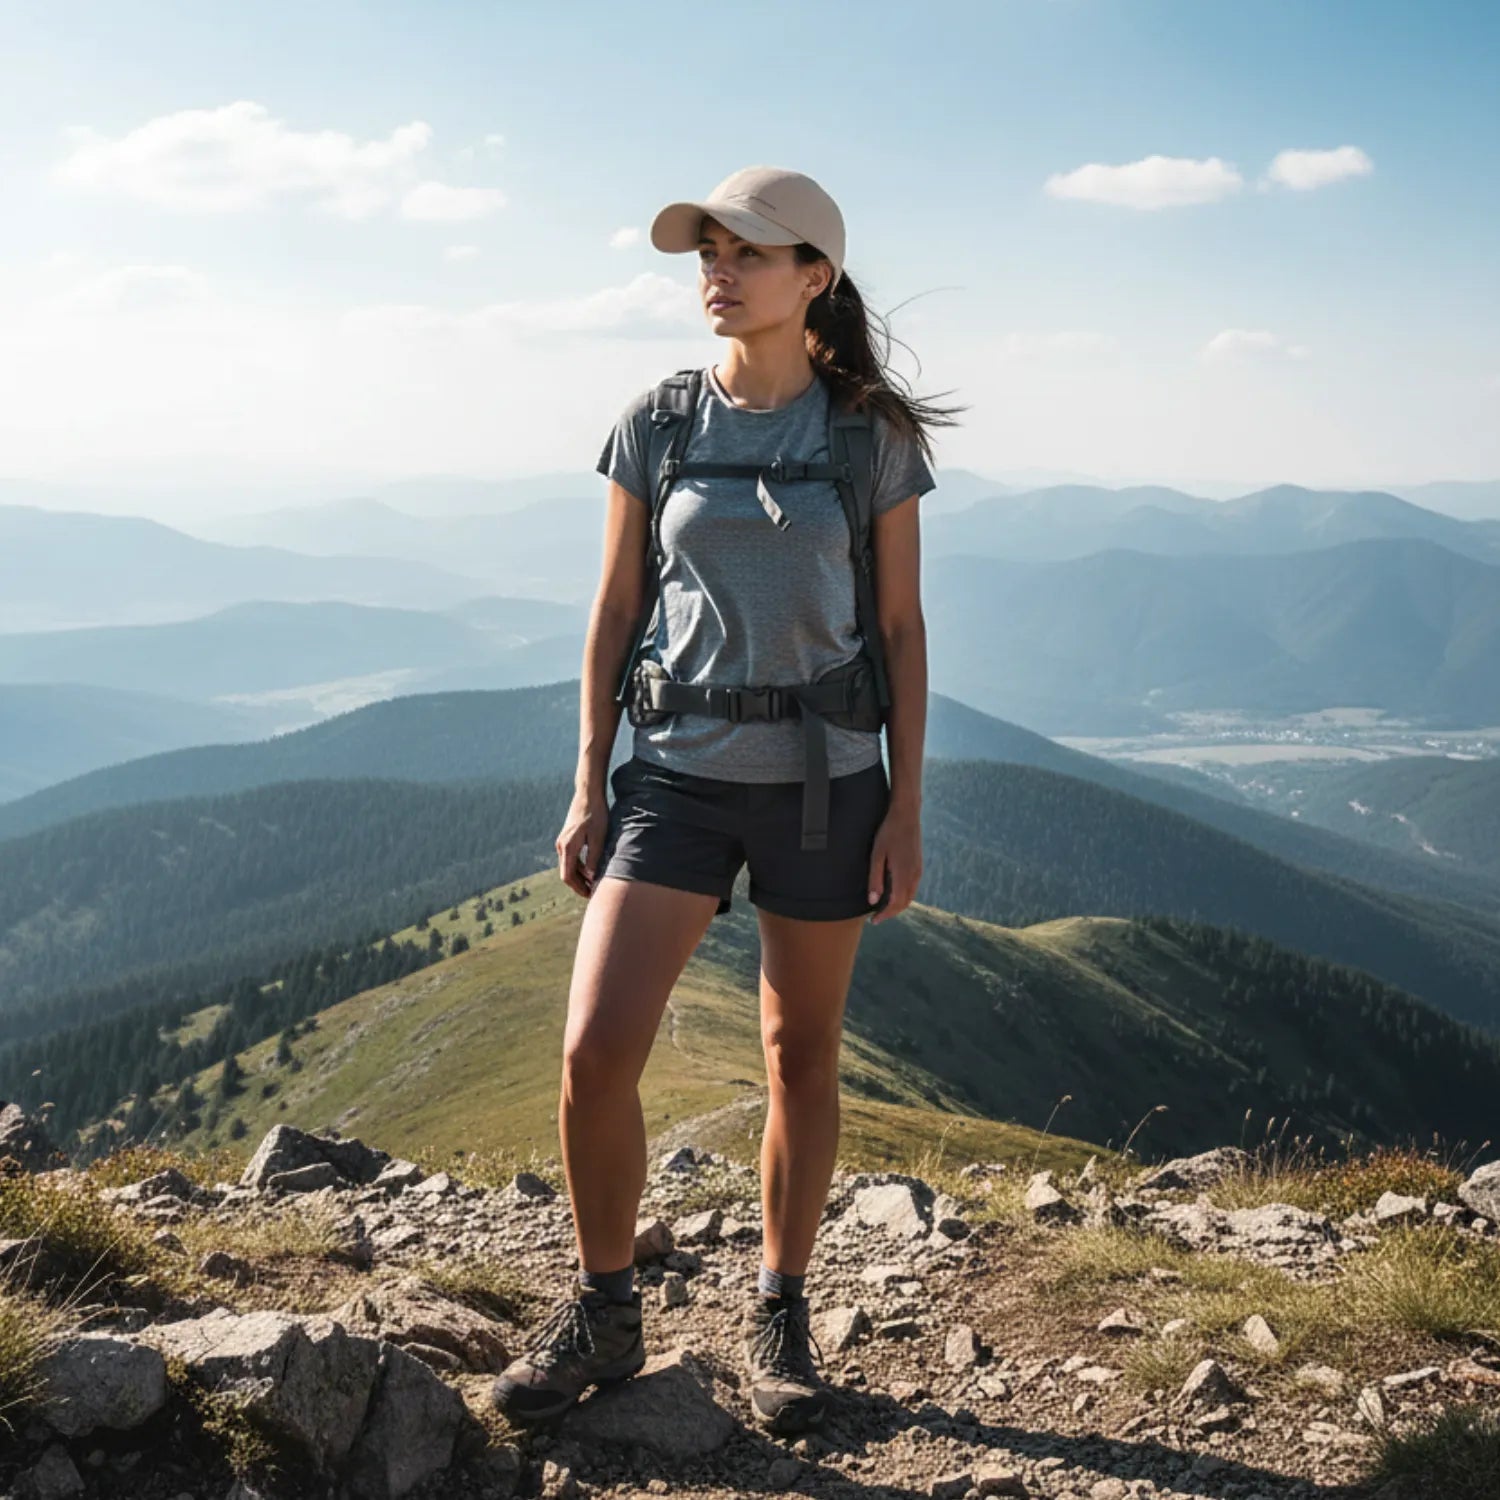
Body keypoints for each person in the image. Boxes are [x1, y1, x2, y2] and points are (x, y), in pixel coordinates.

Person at [491, 165, 963, 1435]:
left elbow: (905, 631)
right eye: (708, 249)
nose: (718, 268)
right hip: (678, 777)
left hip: (825, 788)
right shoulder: (657, 419)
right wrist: (588, 778)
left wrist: (907, 808)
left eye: (749, 250)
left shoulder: (868, 436)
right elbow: (612, 610)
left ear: (815, 276)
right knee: (595, 1054)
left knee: (797, 1055)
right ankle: (603, 1314)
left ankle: (782, 1311)